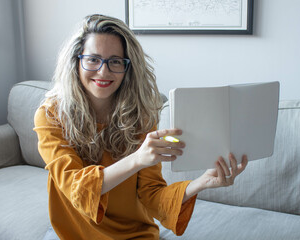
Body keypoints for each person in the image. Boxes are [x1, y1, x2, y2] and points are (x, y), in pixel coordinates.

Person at [34, 14, 248, 240]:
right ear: (76, 61)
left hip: (134, 234)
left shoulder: (140, 118)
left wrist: (201, 183)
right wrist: (138, 158)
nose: (104, 72)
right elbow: (75, 187)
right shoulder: (51, 115)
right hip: (73, 233)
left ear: (128, 68)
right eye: (93, 59)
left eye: (115, 61)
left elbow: (152, 195)